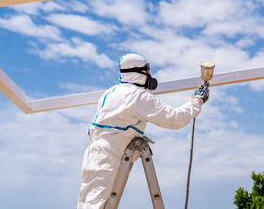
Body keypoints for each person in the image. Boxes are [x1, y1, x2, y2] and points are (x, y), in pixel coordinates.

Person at [77, 53, 209, 209]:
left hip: (94, 153)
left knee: (88, 204)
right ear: (141, 73)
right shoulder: (139, 97)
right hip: (109, 157)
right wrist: (197, 101)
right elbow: (175, 119)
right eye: (147, 72)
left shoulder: (110, 93)